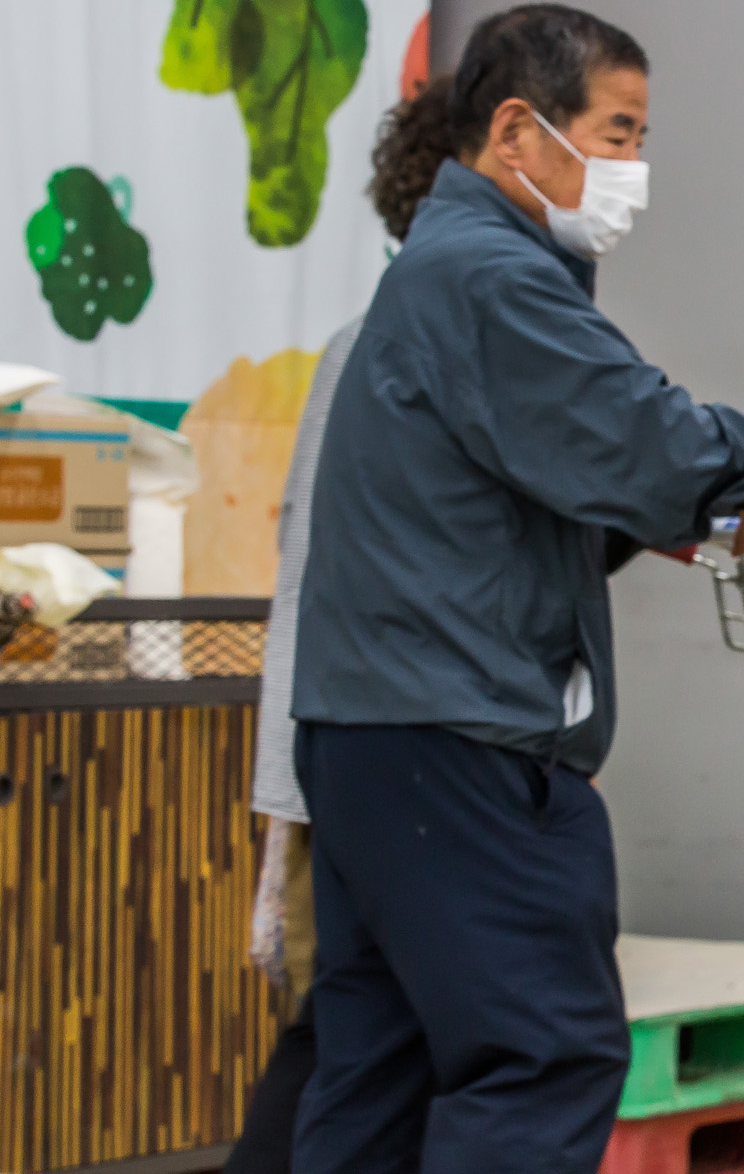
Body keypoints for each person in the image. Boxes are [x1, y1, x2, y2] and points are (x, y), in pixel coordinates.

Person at [289, 4, 744, 1174]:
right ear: (517, 130)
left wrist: (718, 524)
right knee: (540, 1054)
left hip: (370, 737)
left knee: (380, 1070)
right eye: (620, 132)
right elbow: (646, 437)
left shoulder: (448, 274)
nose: (635, 169)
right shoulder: (491, 275)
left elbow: (543, 510)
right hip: (465, 737)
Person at [225, 73, 462, 1174]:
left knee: (365, 1045)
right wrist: (283, 828)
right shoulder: (376, 347)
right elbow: (305, 579)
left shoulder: (452, 338)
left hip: (431, 770)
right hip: (363, 766)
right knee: (345, 1041)